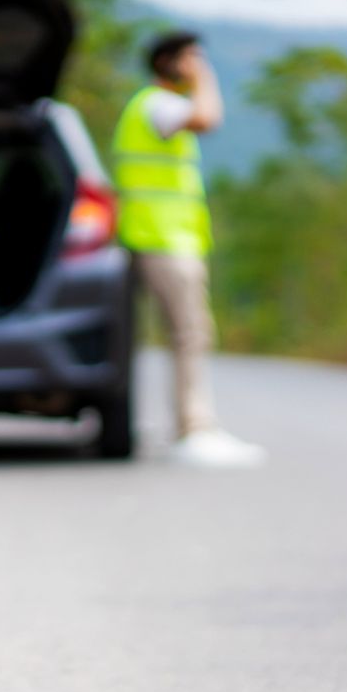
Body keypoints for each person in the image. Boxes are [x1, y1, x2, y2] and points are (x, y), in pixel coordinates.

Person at [111, 30, 266, 467]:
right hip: (163, 239)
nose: (197, 64)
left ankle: (187, 424)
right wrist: (205, 78)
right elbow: (207, 118)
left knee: (173, 334)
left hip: (155, 235)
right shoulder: (159, 104)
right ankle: (193, 429)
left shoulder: (145, 106)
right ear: (168, 62)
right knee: (189, 333)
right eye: (191, 57)